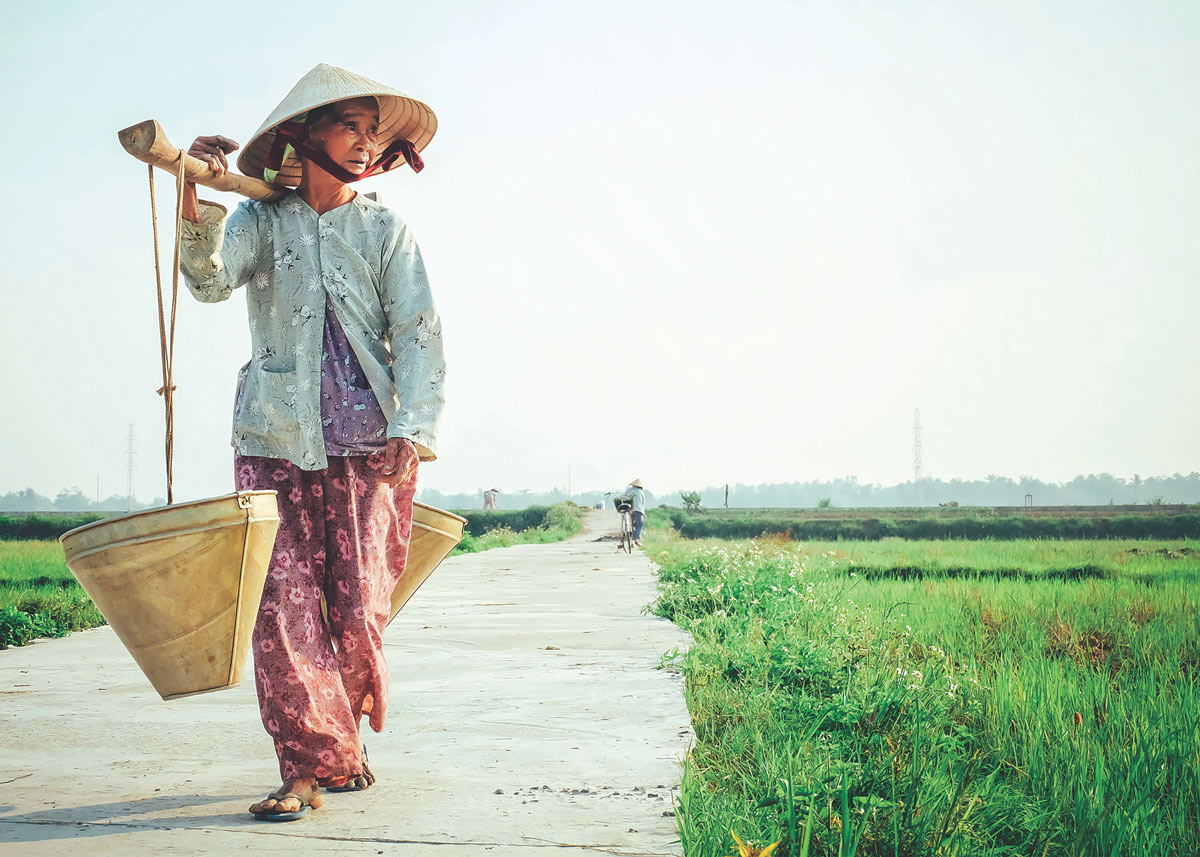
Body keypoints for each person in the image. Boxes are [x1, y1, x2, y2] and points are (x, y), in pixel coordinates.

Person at [178, 64, 445, 822]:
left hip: (367, 444)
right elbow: (206, 280)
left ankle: (341, 744)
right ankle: (302, 767)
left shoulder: (383, 229)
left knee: (356, 609)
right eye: (349, 126)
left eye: (371, 131)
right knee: (283, 613)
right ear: (305, 134)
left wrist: (413, 430)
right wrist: (196, 189)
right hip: (273, 440)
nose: (364, 144)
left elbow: (418, 333)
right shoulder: (262, 222)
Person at [626, 479, 646, 547]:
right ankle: (636, 539)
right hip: (639, 510)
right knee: (639, 525)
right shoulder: (641, 492)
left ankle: (632, 542)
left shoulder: (628, 490)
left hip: (629, 510)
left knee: (631, 526)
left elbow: (624, 498)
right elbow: (643, 503)